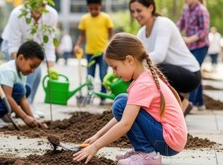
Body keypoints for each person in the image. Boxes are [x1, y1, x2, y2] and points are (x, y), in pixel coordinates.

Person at [73, 33, 186, 165]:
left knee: (121, 102)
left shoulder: (142, 85)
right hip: (171, 139)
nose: (114, 73)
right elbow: (124, 116)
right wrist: (97, 136)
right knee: (122, 101)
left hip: (168, 141)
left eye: (115, 67)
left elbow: (125, 123)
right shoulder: (144, 79)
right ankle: (143, 151)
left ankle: (148, 155)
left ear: (130, 60)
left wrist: (96, 147)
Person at [129, 0, 201, 115]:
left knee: (152, 69)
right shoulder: (141, 33)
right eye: (133, 11)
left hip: (190, 74)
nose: (135, 15)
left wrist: (135, 63)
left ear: (151, 8)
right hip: (171, 72)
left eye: (139, 10)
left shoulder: (163, 24)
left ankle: (181, 103)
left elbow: (158, 56)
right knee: (145, 72)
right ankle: (175, 105)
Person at [1, 0, 59, 117]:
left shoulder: (51, 15)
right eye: (36, 4)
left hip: (32, 50)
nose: (40, 9)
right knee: (28, 73)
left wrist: (52, 69)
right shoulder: (18, 14)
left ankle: (29, 104)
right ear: (27, 2)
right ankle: (22, 106)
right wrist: (22, 65)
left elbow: (48, 44)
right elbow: (13, 45)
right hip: (11, 47)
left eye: (43, 5)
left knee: (37, 73)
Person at [0, 41, 48, 128]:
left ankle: (1, 114)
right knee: (20, 89)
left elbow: (22, 99)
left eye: (35, 68)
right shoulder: (9, 71)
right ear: (21, 58)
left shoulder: (20, 71)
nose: (33, 71)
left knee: (26, 89)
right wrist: (24, 117)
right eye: (32, 66)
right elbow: (8, 97)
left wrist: (33, 119)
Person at [73, 0, 113, 105]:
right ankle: (90, 95)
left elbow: (111, 34)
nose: (94, 11)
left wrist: (111, 46)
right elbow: (82, 35)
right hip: (90, 52)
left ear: (101, 5)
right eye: (91, 8)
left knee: (103, 75)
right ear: (87, 7)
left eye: (96, 8)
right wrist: (77, 45)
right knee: (89, 76)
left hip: (103, 53)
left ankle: (102, 97)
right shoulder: (85, 19)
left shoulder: (106, 18)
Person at [177, 0, 210, 110]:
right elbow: (181, 24)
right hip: (190, 47)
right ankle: (200, 102)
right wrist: (172, 30)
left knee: (192, 72)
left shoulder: (201, 10)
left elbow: (204, 30)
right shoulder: (186, 9)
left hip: (200, 46)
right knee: (196, 72)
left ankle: (192, 104)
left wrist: (191, 39)